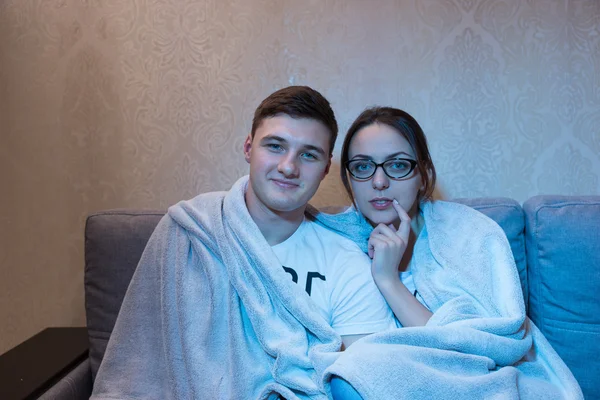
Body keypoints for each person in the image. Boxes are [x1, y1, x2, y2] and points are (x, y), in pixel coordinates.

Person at [90, 87, 396, 400]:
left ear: (325, 168)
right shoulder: (188, 232)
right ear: (249, 148)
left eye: (308, 154)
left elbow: (366, 380)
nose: (288, 167)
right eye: (275, 146)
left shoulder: (345, 259)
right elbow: (140, 361)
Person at [315, 106, 583, 399]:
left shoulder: (469, 233)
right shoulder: (329, 238)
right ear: (349, 177)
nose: (379, 182)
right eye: (363, 166)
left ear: (423, 174)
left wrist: (388, 280)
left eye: (398, 165)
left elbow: (494, 342)